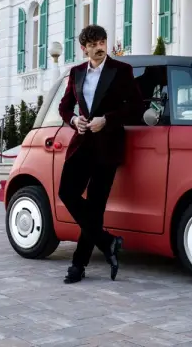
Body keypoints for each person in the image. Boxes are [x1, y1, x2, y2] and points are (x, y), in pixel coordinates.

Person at [57, 24, 144, 284]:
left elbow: (137, 106)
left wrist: (106, 120)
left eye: (102, 42)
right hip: (82, 143)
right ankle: (107, 242)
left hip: (108, 145)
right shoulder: (76, 73)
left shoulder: (122, 71)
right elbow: (64, 107)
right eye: (93, 44)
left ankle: (78, 265)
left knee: (95, 206)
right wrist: (74, 121)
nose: (99, 47)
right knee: (66, 192)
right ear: (84, 49)